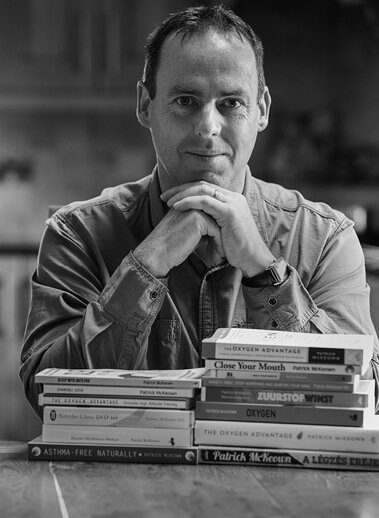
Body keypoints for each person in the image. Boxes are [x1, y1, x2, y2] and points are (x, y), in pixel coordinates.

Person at [20, 5, 379, 417]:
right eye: (186, 100)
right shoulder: (76, 233)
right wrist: (146, 264)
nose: (208, 126)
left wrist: (264, 270)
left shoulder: (326, 238)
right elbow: (46, 394)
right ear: (144, 105)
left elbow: (365, 393)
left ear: (261, 109)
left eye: (231, 102)